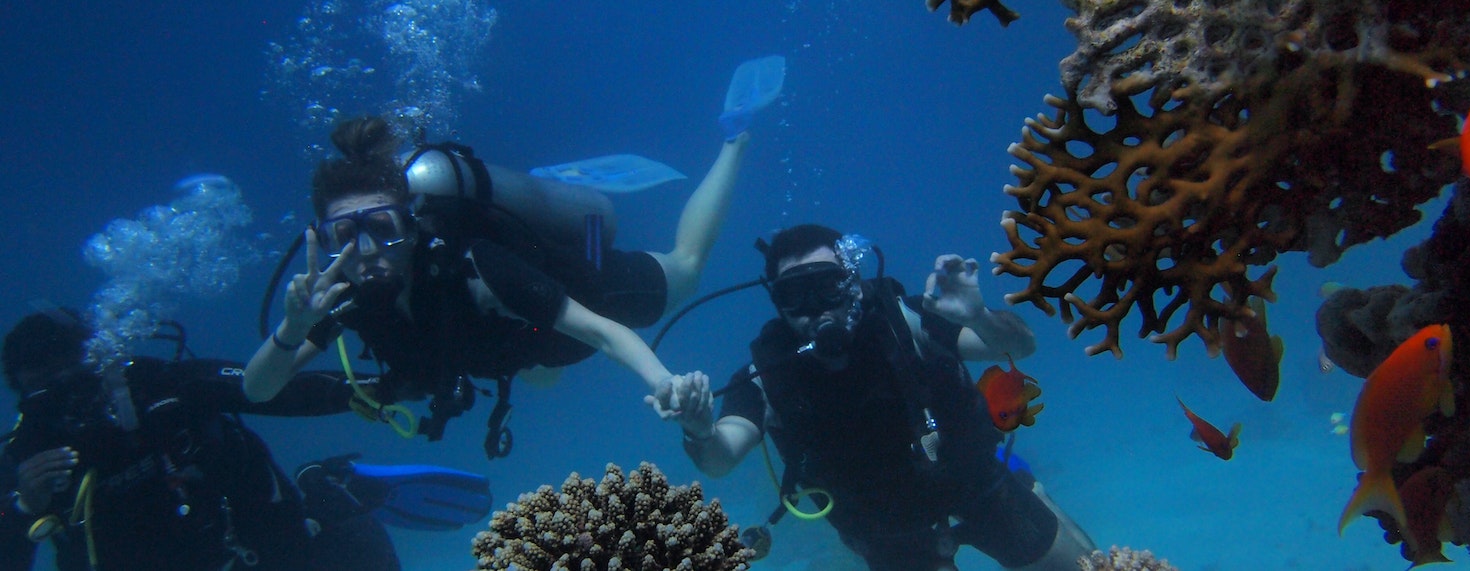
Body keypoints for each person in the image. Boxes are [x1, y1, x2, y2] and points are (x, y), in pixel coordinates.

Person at [244, 110, 750, 454]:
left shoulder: (478, 265)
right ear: (323, 240)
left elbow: (601, 333)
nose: (368, 251)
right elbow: (258, 389)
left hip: (580, 291)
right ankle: (563, 200)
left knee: (685, 269)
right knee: (543, 374)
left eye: (382, 228)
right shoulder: (336, 300)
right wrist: (293, 328)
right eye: (344, 235)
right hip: (528, 346)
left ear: (413, 224)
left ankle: (734, 138)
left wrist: (664, 383)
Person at [670, 224, 1097, 570]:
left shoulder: (907, 320)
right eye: (794, 295)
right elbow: (721, 457)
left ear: (853, 283)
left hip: (979, 486)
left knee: (1084, 569)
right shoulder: (765, 375)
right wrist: (700, 430)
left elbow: (1018, 348)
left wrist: (979, 317)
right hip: (887, 534)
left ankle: (1024, 481)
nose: (816, 307)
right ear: (776, 302)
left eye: (828, 286)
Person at [0, 311, 480, 571]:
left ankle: (330, 488)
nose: (65, 396)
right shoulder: (20, 457)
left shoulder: (162, 388)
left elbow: (264, 390)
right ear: (22, 394)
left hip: (270, 549)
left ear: (99, 362)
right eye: (42, 389)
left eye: (74, 374)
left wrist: (389, 388)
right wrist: (24, 505)